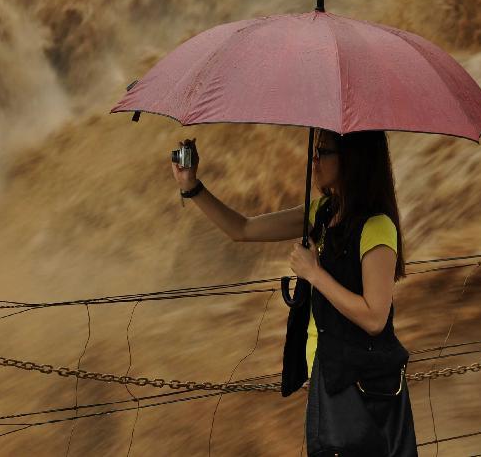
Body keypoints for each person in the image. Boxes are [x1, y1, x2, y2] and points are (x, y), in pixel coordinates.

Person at [170, 130, 418, 456]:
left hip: (366, 392)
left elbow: (374, 318)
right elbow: (241, 229)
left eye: (323, 152)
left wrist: (314, 273)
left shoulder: (377, 226)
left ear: (352, 159)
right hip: (327, 377)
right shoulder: (322, 213)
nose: (313, 160)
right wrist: (192, 187)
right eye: (315, 151)